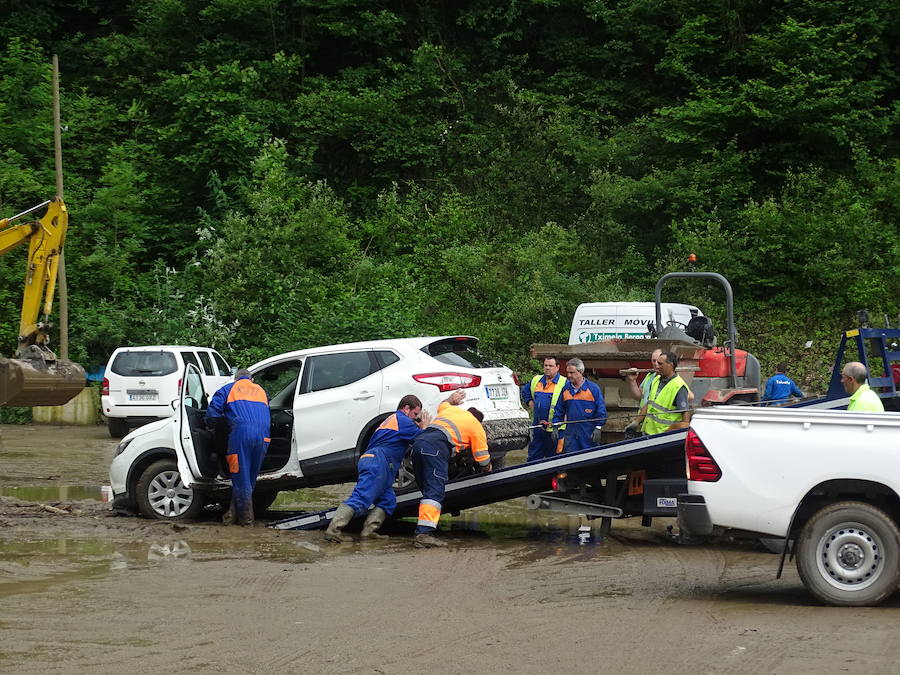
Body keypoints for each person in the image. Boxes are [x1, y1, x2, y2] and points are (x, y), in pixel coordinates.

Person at [325, 395, 432, 542]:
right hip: (378, 462)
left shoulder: (393, 420)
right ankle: (333, 530)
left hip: (378, 462)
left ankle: (368, 532)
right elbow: (422, 439)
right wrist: (424, 426)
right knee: (361, 497)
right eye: (415, 415)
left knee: (387, 501)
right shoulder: (402, 420)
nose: (415, 419)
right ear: (406, 409)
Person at [411, 389, 491, 548]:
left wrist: (452, 399)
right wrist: (488, 468)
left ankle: (426, 527)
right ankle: (423, 535)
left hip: (418, 444)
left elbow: (443, 404)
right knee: (435, 491)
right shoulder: (476, 426)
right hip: (435, 448)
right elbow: (482, 458)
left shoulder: (451, 410)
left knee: (427, 490)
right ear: (479, 420)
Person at [205, 368, 271, 525]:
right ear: (252, 380)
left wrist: (209, 426)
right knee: (249, 479)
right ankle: (232, 515)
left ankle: (246, 523)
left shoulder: (229, 389)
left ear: (235, 379)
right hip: (264, 437)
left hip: (241, 436)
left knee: (240, 478)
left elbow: (213, 412)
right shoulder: (261, 391)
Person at [552, 357, 607, 453]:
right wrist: (555, 426)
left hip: (588, 434)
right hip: (571, 436)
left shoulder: (593, 389)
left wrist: (598, 428)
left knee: (590, 461)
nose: (568, 375)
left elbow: (601, 410)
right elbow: (559, 410)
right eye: (567, 373)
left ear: (581, 372)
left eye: (572, 373)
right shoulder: (566, 390)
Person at [520, 356, 567, 461]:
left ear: (557, 367)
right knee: (533, 459)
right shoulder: (537, 380)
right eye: (546, 365)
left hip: (555, 430)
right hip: (538, 428)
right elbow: (525, 392)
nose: (547, 368)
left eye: (551, 366)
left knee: (556, 461)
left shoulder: (564, 383)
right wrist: (531, 404)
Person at [636, 351, 692, 435]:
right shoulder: (656, 380)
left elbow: (685, 421)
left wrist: (670, 434)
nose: (656, 366)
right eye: (655, 362)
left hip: (664, 438)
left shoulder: (678, 386)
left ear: (671, 365)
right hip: (648, 433)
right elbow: (649, 404)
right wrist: (636, 422)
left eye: (660, 363)